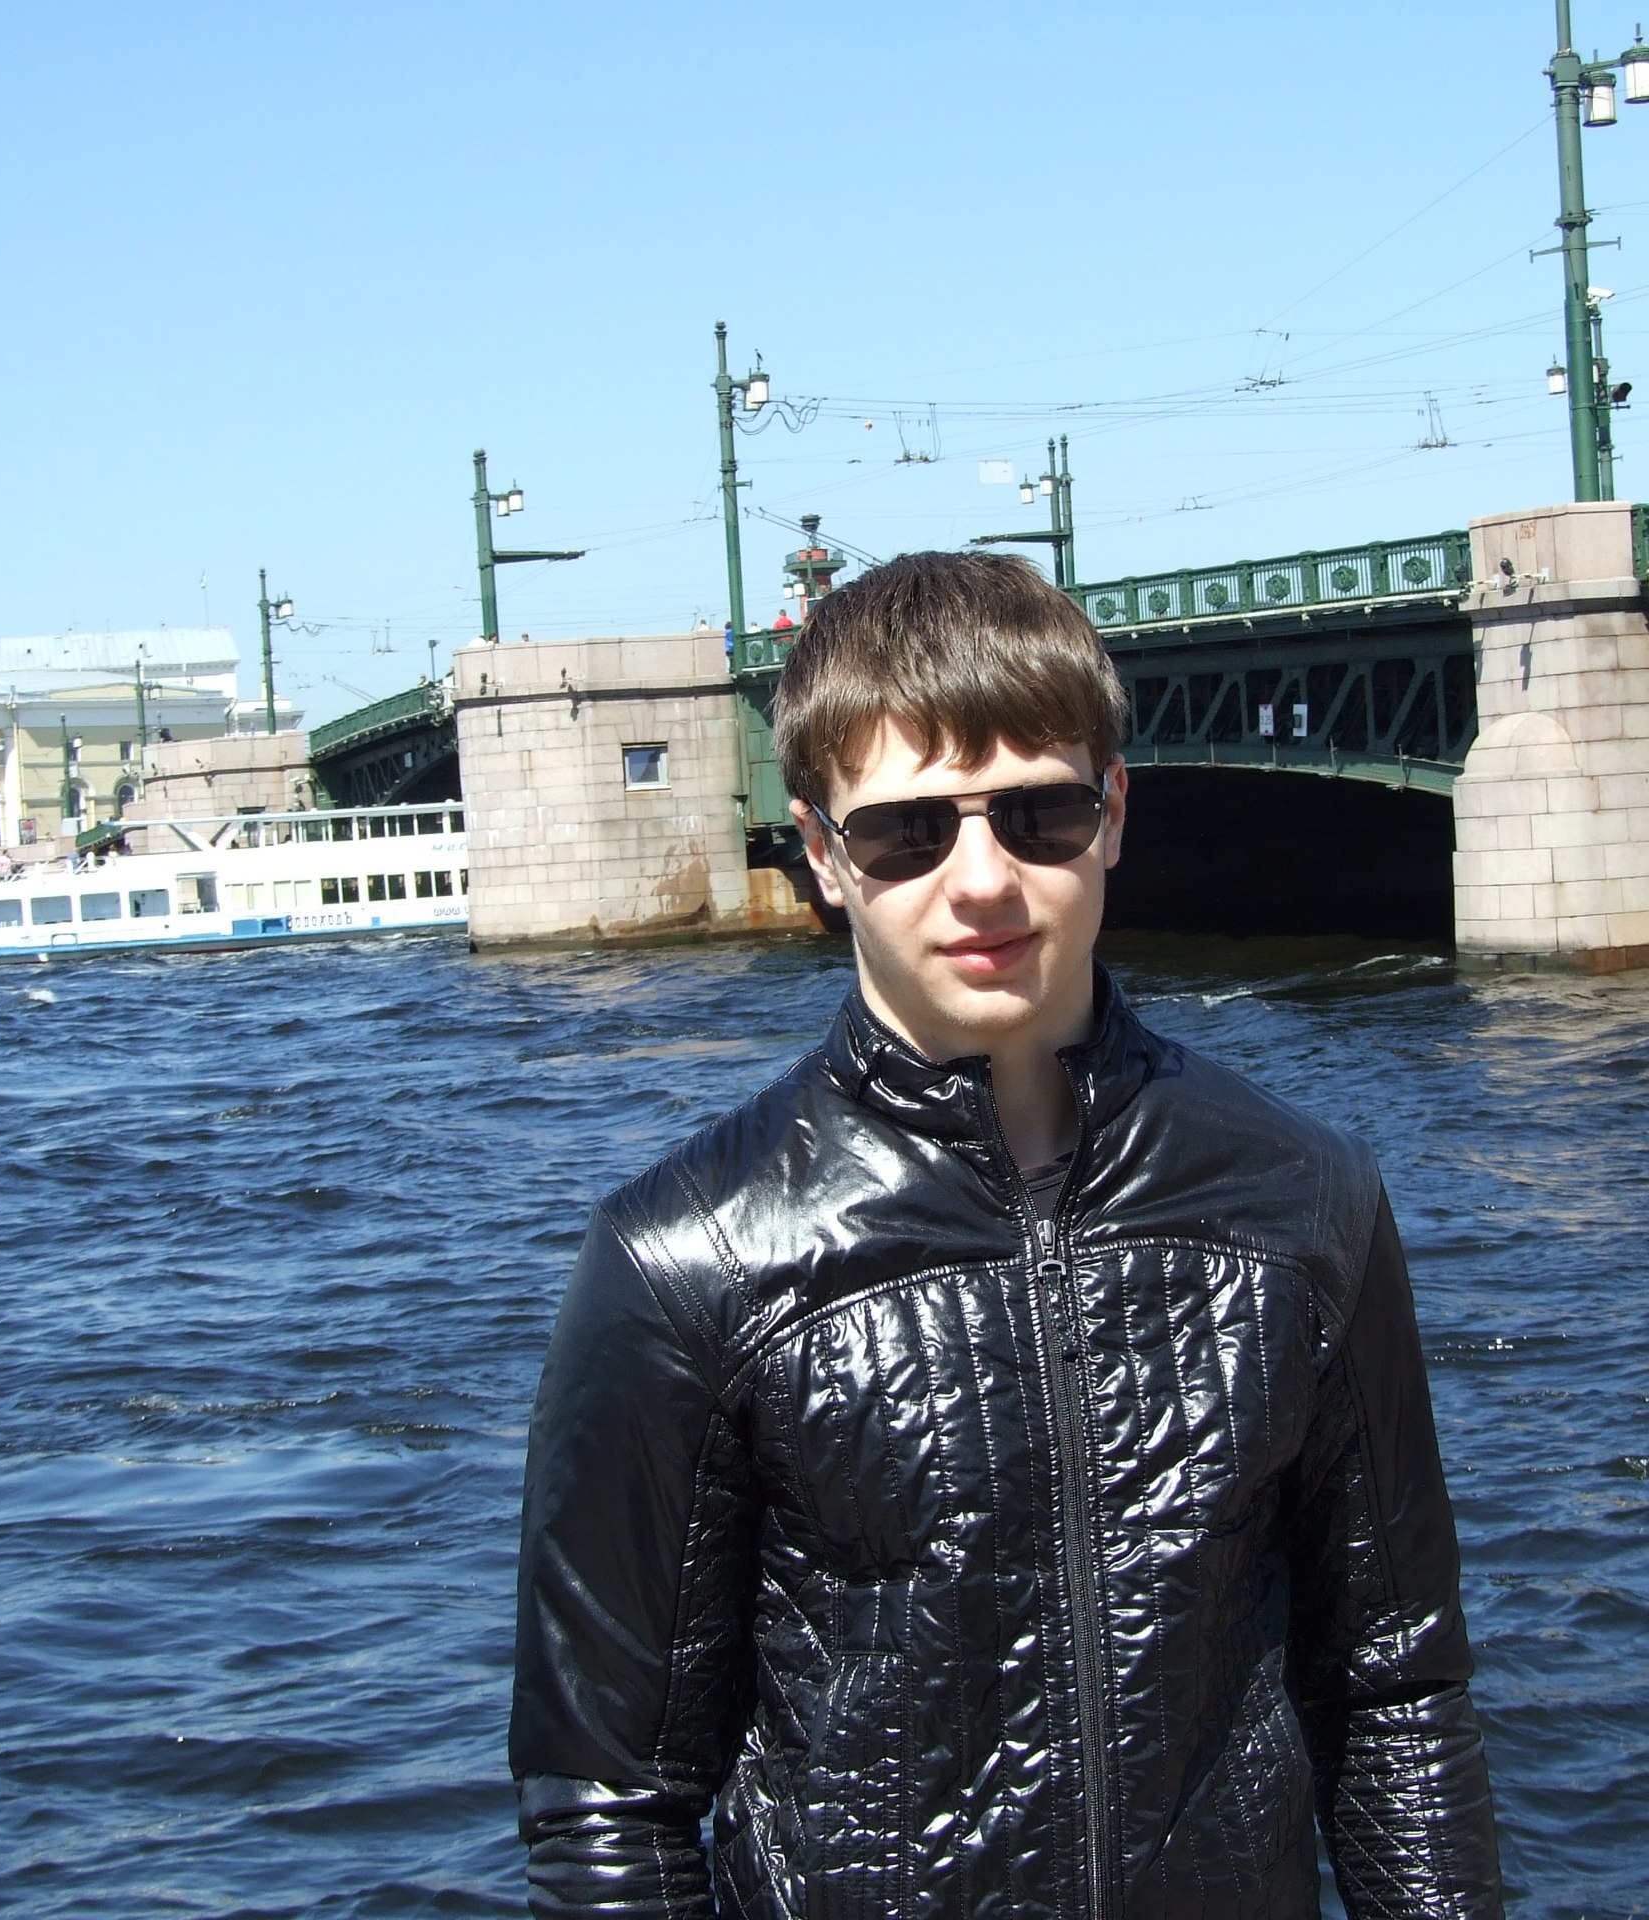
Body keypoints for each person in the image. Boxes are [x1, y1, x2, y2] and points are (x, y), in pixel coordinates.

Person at [510, 551, 1503, 1918]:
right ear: (822, 853)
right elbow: (610, 1800)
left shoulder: (1307, 1200)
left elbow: (1397, 1695)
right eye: (907, 832)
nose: (981, 881)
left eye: (1038, 814)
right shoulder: (687, 1262)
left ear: (1114, 816)